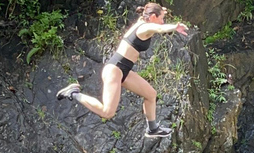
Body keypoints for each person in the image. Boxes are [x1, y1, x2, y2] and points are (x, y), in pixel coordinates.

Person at [56, 2, 188, 138]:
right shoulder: (144, 28)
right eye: (161, 18)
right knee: (107, 112)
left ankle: (152, 129)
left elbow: (153, 18)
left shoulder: (142, 21)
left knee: (151, 94)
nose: (162, 21)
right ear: (153, 17)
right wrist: (174, 26)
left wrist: (161, 11)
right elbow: (158, 28)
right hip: (115, 70)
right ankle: (74, 94)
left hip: (124, 70)